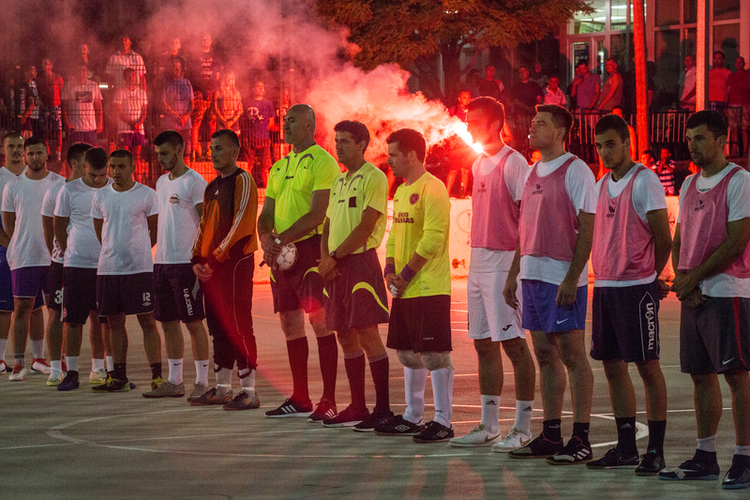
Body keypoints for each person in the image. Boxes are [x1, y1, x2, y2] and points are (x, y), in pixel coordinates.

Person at [658, 110, 750, 489]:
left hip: (727, 291)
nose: (691, 145)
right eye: (689, 138)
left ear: (720, 140)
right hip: (694, 294)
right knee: (700, 375)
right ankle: (705, 455)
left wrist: (693, 277)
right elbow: (680, 237)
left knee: (737, 376)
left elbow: (737, 241)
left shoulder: (739, 181)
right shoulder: (689, 184)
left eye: (699, 138)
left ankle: (744, 457)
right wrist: (683, 278)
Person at [507, 104, 597, 464]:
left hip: (560, 277)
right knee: (545, 355)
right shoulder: (531, 171)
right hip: (532, 276)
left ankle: (582, 438)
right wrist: (514, 273)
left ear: (559, 132)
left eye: (540, 124)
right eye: (532, 122)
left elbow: (588, 228)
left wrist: (573, 277)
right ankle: (551, 434)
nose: (532, 128)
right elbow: (523, 227)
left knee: (573, 356)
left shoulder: (576, 170)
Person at [448, 97, 536, 451]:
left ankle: (523, 427)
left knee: (513, 343)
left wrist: (516, 270)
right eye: (467, 120)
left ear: (496, 124)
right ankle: (488, 426)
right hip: (478, 261)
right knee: (482, 344)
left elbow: (528, 219)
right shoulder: (478, 163)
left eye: (475, 121)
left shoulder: (515, 163)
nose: (468, 126)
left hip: (503, 263)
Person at [586, 114, 671, 474]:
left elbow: (664, 237)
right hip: (605, 286)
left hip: (635, 288)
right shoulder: (601, 184)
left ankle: (656, 450)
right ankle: (625, 448)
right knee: (612, 366)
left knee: (647, 367)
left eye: (610, 144)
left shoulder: (644, 180)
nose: (604, 151)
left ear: (626, 143)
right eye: (599, 145)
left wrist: (651, 277)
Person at [371, 128, 454, 443]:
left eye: (394, 154)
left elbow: (432, 239)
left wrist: (404, 276)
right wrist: (390, 271)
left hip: (428, 287)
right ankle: (412, 416)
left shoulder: (433, 188)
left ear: (412, 155)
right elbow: (393, 235)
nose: (389, 160)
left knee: (434, 355)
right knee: (406, 353)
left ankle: (443, 420)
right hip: (404, 287)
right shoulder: (402, 191)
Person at [258, 104, 340, 420]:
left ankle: (329, 399)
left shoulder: (323, 162)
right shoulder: (278, 167)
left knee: (319, 321)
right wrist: (266, 237)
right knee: (289, 323)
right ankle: (300, 397)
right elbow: (266, 212)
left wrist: (280, 239)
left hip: (308, 251)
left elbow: (318, 213)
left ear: (309, 124)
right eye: (284, 121)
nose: (286, 125)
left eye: (292, 120)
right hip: (281, 253)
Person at [317, 120, 392, 430]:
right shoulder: (339, 180)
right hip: (336, 266)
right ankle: (358, 406)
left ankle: (383, 408)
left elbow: (366, 226)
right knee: (344, 333)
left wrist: (334, 257)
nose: (338, 146)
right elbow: (327, 225)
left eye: (345, 141)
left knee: (367, 332)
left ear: (362, 144)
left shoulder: (374, 177)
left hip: (359, 263)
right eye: (337, 141)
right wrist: (325, 258)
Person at [189, 129, 260, 410]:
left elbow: (242, 225)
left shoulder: (244, 180)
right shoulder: (211, 187)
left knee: (239, 325)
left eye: (219, 148)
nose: (213, 153)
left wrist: (215, 259)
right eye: (211, 148)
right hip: (212, 267)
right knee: (218, 326)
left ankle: (250, 391)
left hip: (234, 265)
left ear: (234, 151)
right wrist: (196, 258)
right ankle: (222, 388)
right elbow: (203, 225)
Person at [143, 130, 210, 401]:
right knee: (168, 322)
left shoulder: (195, 182)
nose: (160, 158)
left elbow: (206, 223)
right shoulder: (161, 182)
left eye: (165, 153)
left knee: (193, 322)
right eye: (158, 154)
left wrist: (201, 258)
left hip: (185, 264)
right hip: (162, 262)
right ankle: (175, 381)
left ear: (180, 151)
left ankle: (203, 382)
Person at [90, 149, 163, 392]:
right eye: (113, 166)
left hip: (139, 270)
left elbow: (155, 230)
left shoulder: (146, 195)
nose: (116, 171)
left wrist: (137, 251)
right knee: (114, 322)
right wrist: (113, 251)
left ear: (133, 167)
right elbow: (100, 231)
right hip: (108, 270)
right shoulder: (100, 196)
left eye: (121, 166)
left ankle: (157, 377)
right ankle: (118, 376)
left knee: (147, 321)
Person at [2, 136, 64, 380]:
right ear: (25, 157)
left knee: (55, 310)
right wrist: (22, 242)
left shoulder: (59, 184)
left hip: (53, 258)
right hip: (25, 257)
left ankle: (52, 361)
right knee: (22, 308)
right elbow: (9, 224)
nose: (35, 157)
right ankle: (19, 363)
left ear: (47, 154)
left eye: (40, 153)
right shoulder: (13, 186)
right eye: (31, 153)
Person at [54, 146, 113, 391]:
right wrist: (70, 251)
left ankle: (102, 369)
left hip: (106, 265)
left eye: (102, 175)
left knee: (104, 320)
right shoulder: (69, 190)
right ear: (83, 167)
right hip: (77, 264)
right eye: (92, 175)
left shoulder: (114, 188)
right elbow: (58, 226)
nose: (98, 180)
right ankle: (72, 372)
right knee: (72, 321)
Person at [40, 142, 94, 385]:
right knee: (56, 314)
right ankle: (55, 368)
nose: (90, 167)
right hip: (63, 263)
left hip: (92, 264)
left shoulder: (97, 188)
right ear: (74, 164)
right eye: (86, 163)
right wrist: (60, 253)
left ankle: (98, 368)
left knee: (98, 316)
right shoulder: (57, 191)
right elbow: (49, 229)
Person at [0, 132, 44, 374]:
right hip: (8, 250)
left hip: (35, 252)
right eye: (12, 147)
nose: (16, 151)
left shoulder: (39, 178)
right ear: (3, 150)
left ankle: (39, 358)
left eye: (19, 146)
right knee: (5, 307)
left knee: (36, 306)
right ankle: (1, 359)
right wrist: (13, 245)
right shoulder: (3, 180)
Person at [242, 81, 275, 188]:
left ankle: (267, 191)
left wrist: (263, 131)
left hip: (263, 138)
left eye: (262, 87)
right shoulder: (247, 102)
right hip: (249, 138)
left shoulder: (268, 103)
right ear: (253, 89)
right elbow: (243, 120)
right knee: (248, 166)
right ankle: (248, 190)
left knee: (265, 167)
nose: (261, 89)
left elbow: (271, 121)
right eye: (258, 86)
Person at [161, 57, 194, 160]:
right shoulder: (166, 84)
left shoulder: (187, 83)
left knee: (186, 154)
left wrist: (185, 117)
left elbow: (192, 103)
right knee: (171, 154)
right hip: (171, 125)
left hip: (186, 124)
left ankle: (186, 171)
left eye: (178, 68)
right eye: (174, 67)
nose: (176, 70)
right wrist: (175, 116)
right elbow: (163, 103)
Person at [61, 64, 103, 146]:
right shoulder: (68, 86)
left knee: (90, 151)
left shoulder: (93, 85)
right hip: (75, 128)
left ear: (87, 71)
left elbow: (98, 107)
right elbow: (64, 107)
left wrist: (100, 123)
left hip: (91, 128)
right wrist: (67, 123)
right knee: (76, 151)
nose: (81, 73)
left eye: (83, 70)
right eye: (79, 71)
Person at [113, 68, 148, 160]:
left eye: (132, 75)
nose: (130, 77)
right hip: (124, 129)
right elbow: (118, 111)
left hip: (139, 129)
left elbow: (144, 111)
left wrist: (138, 124)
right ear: (124, 78)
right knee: (125, 156)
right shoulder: (120, 92)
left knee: (137, 156)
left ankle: (137, 170)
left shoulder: (142, 93)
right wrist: (131, 123)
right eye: (128, 75)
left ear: (135, 77)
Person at [37, 59, 64, 161]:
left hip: (55, 106)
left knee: (58, 129)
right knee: (45, 130)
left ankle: (58, 150)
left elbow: (61, 90)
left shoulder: (58, 78)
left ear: (51, 65)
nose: (45, 66)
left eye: (47, 64)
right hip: (45, 107)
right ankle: (47, 151)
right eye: (43, 64)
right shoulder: (40, 79)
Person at [725, 57, 750, 157]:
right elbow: (727, 92)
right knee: (733, 128)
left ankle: (745, 151)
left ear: (744, 63)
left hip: (744, 105)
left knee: (744, 128)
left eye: (740, 62)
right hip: (732, 105)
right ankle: (734, 151)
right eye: (737, 62)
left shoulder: (748, 76)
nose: (738, 64)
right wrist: (725, 106)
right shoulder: (731, 76)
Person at [211, 71, 242, 135]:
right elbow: (216, 109)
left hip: (234, 121)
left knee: (233, 140)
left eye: (231, 78)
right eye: (227, 78)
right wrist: (225, 122)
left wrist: (232, 121)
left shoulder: (236, 93)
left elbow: (240, 110)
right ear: (224, 79)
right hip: (222, 121)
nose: (229, 80)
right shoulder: (218, 93)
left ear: (233, 80)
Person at [708, 51, 731, 116]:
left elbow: (729, 90)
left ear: (723, 60)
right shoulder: (708, 72)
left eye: (719, 58)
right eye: (715, 58)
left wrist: (726, 104)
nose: (716, 60)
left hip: (721, 101)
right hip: (709, 100)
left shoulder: (727, 73)